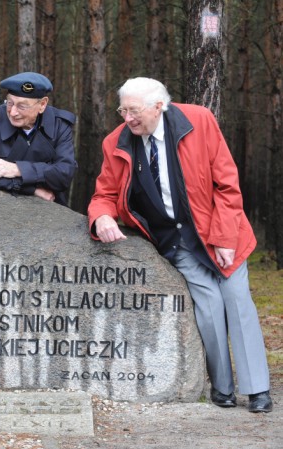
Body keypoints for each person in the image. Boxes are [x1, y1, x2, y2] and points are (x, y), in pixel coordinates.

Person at [87, 77, 272, 413]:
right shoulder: (116, 142)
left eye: (134, 110)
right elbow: (105, 194)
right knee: (210, 305)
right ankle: (222, 386)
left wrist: (225, 238)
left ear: (159, 105)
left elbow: (227, 186)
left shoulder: (198, 121)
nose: (127, 118)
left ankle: (257, 388)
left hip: (220, 231)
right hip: (176, 242)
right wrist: (101, 217)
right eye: (122, 110)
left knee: (236, 298)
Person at [0, 72, 77, 205]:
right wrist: (32, 189)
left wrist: (18, 169)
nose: (12, 112)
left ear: (42, 105)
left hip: (50, 208)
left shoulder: (59, 125)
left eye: (22, 106)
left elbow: (64, 174)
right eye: (10, 103)